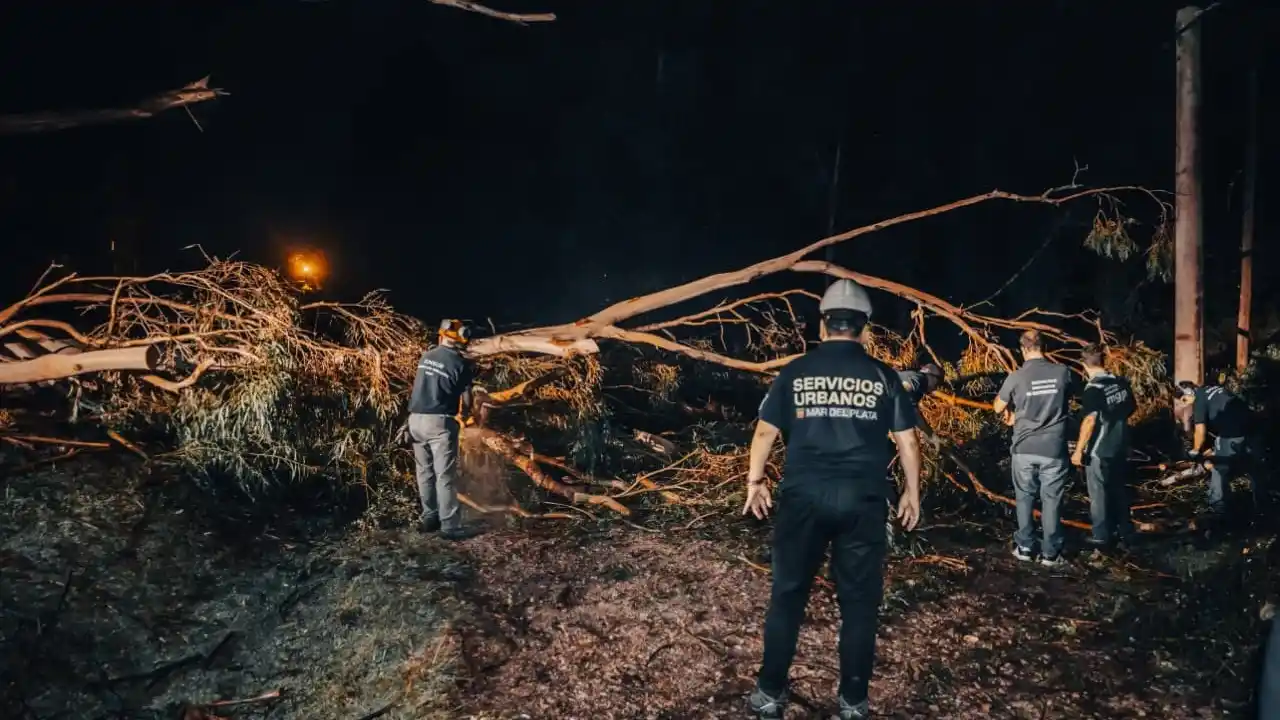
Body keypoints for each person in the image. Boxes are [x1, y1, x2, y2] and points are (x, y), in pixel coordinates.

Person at [742, 278, 922, 720]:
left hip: (803, 498)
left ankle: (769, 694)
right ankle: (854, 702)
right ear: (863, 328)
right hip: (862, 501)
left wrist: (755, 481)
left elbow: (765, 431)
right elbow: (908, 441)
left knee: (787, 594)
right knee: (859, 603)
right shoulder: (883, 376)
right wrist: (913, 492)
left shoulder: (796, 372)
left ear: (823, 325)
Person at [991, 329, 1075, 566]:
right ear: (1044, 347)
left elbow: (998, 407)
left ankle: (1026, 547)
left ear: (1023, 349)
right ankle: (1050, 554)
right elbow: (1070, 398)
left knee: (1025, 497)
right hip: (1054, 448)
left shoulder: (1016, 376)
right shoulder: (1063, 373)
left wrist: (1011, 414)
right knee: (1051, 500)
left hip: (1024, 447)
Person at [407, 319, 476, 540]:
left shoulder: (426, 356)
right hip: (439, 422)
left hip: (415, 420)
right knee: (444, 476)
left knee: (424, 473)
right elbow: (466, 398)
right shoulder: (461, 364)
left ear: (441, 336)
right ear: (462, 341)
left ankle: (430, 517)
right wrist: (465, 415)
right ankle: (450, 528)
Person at [1070, 344, 1137, 548]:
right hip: (1120, 445)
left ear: (1084, 365)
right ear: (1103, 361)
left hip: (1099, 449)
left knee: (1098, 495)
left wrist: (1078, 451)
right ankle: (1125, 531)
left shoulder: (1093, 390)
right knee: (1118, 490)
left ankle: (1101, 535)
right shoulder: (1120, 383)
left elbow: (1089, 421)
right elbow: (1130, 408)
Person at [1173, 380, 1263, 517]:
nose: (1186, 404)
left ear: (1189, 394)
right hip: (1254, 427)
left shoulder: (1199, 400)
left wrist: (1195, 451)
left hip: (1232, 432)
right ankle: (1263, 508)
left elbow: (1200, 430)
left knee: (1218, 468)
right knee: (1255, 468)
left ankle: (1217, 510)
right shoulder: (1214, 389)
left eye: (1184, 400)